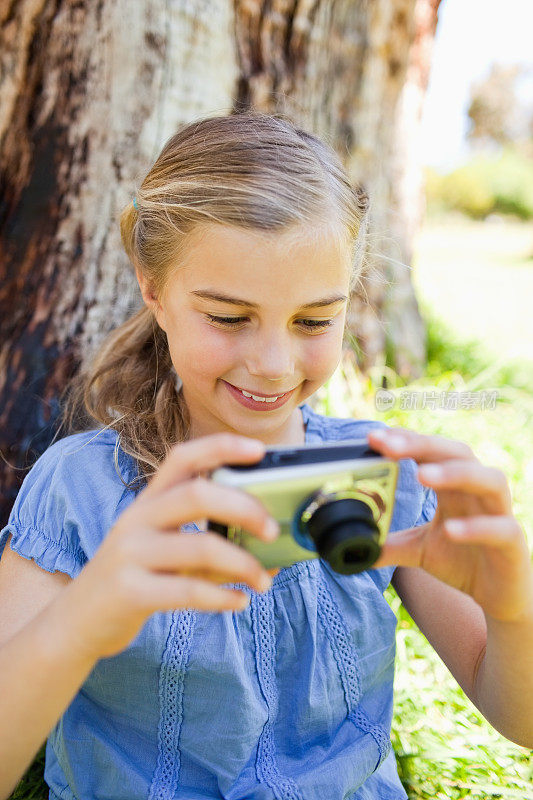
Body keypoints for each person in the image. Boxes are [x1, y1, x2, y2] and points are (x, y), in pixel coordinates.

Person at [0, 111, 531, 800]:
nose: (275, 366)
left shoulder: (379, 477)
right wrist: (81, 621)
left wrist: (513, 612)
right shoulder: (83, 490)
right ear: (152, 288)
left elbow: (519, 721)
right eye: (227, 317)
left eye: (314, 320)